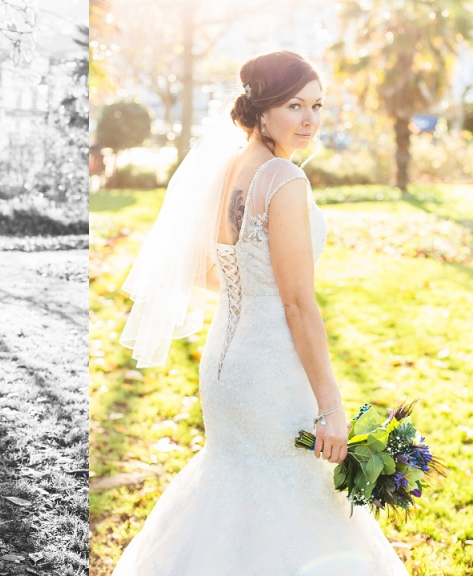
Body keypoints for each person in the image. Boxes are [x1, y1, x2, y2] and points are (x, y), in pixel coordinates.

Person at [114, 51, 409, 575]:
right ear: (263, 109)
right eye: (294, 105)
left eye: (317, 105)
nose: (310, 119)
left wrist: (253, 292)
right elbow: (298, 304)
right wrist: (331, 407)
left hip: (226, 369)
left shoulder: (232, 168)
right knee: (291, 499)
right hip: (273, 374)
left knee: (232, 482)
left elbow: (209, 270)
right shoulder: (284, 181)